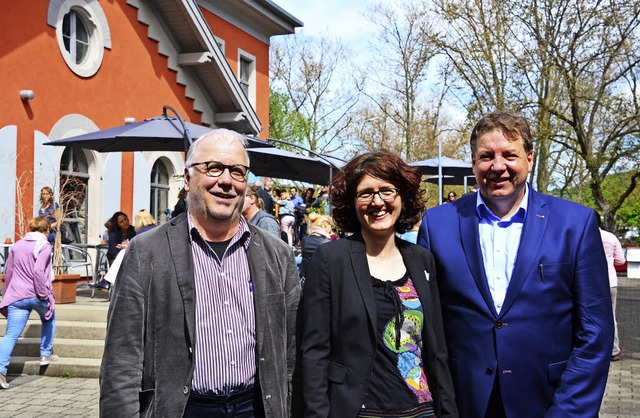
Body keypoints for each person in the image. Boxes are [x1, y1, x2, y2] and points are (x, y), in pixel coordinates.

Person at [417, 111, 613, 418]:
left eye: (509, 154)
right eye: (486, 156)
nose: (498, 166)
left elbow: (595, 332)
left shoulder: (575, 224)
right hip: (464, 403)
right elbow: (426, 326)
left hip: (549, 402)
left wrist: (568, 412)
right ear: (473, 162)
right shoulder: (438, 224)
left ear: (529, 158)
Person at [100, 128, 301, 417]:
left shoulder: (276, 254)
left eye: (237, 171)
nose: (226, 181)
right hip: (182, 409)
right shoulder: (147, 251)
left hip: (255, 407)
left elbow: (291, 354)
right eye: (214, 168)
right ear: (187, 177)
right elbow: (121, 359)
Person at [296, 150, 457, 417]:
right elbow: (313, 353)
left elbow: (437, 349)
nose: (378, 201)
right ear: (352, 201)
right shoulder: (331, 260)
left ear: (402, 197)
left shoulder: (422, 260)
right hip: (359, 410)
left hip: (422, 410)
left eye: (387, 191)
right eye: (366, 193)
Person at [0, 216, 58, 389]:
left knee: (10, 335)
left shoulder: (17, 246)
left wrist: (6, 295)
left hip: (16, 296)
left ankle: (1, 372)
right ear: (46, 230)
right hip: (36, 295)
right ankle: (45, 354)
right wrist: (42, 295)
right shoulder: (44, 246)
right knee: (49, 318)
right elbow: (39, 271)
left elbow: (8, 272)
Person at [598, 220, 626, 361]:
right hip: (609, 281)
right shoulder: (610, 237)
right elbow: (621, 261)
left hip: (586, 281)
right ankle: (614, 350)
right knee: (610, 316)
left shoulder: (581, 235)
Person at [299, 212, 333, 278]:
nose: (331, 228)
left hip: (306, 277)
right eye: (330, 226)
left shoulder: (305, 240)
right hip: (321, 278)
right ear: (325, 225)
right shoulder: (327, 242)